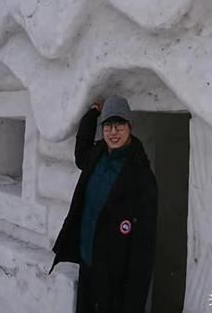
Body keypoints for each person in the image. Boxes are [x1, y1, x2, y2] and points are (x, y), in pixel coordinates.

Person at [48, 95, 158, 313]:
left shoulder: (141, 176)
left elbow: (143, 247)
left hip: (114, 274)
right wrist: (92, 114)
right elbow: (81, 152)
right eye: (108, 126)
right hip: (88, 261)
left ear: (130, 127)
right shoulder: (97, 155)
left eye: (119, 125)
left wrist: (134, 302)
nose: (113, 132)